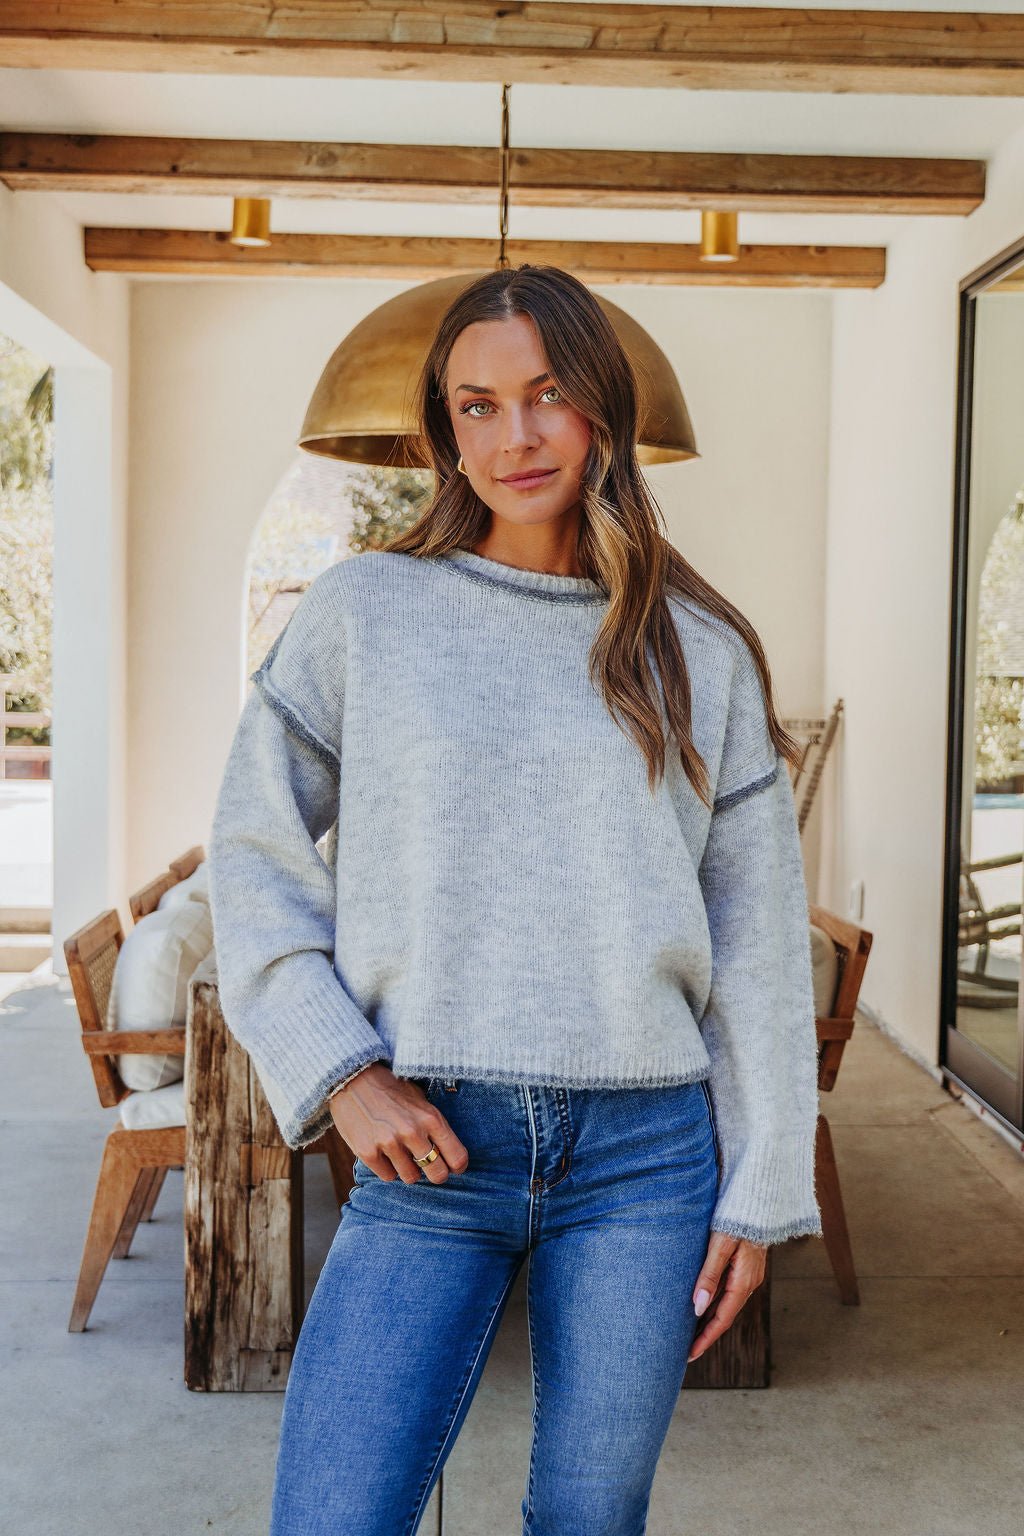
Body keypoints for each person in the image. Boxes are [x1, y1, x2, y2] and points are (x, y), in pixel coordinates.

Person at [207, 263, 823, 1536]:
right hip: (433, 1138)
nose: (514, 436)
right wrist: (341, 1071)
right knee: (332, 1514)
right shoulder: (368, 612)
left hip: (646, 1158)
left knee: (590, 1522)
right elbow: (252, 848)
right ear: (444, 429)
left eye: (545, 396)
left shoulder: (697, 652)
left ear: (602, 408)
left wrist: (759, 1190)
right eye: (476, 406)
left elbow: (757, 943)